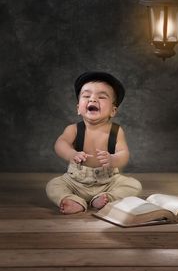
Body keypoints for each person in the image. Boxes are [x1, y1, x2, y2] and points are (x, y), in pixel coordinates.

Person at [46, 71, 142, 214]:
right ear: (78, 108)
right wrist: (71, 153)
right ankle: (72, 199)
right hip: (75, 182)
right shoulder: (74, 129)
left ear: (113, 110)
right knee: (53, 185)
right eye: (86, 96)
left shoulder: (116, 131)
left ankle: (106, 198)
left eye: (102, 97)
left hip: (108, 182)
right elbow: (60, 143)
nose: (93, 99)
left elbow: (124, 153)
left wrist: (113, 159)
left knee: (134, 185)